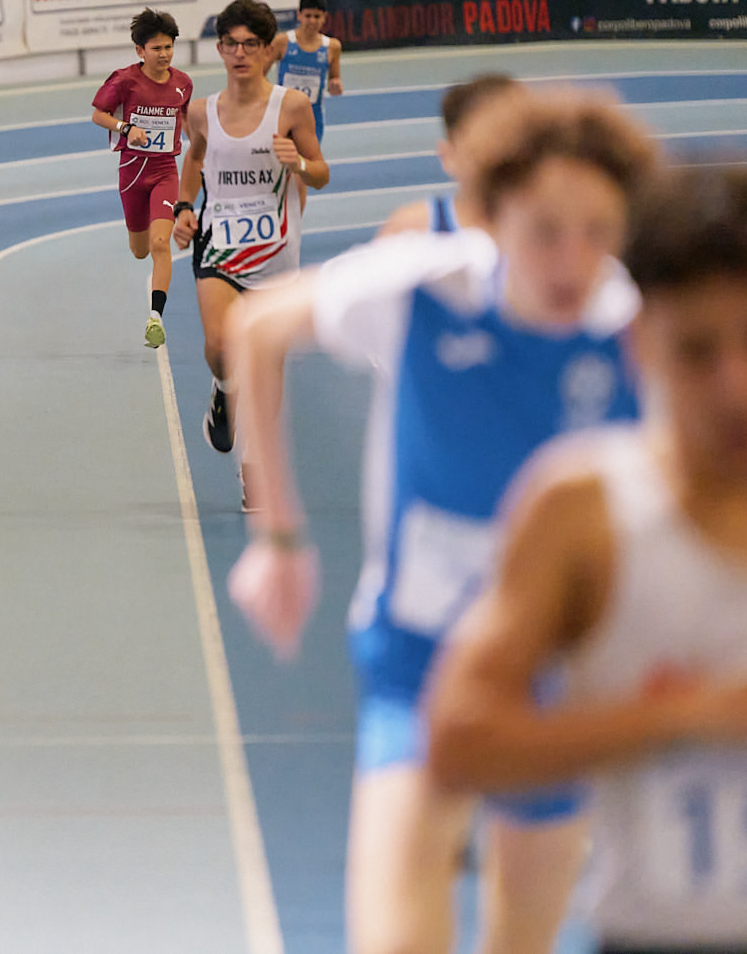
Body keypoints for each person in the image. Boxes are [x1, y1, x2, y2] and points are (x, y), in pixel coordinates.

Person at [222, 89, 658, 954]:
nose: (572, 258)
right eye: (545, 231)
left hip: (560, 678)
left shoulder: (642, 330)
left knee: (521, 939)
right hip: (418, 661)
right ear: (491, 216)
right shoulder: (419, 289)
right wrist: (277, 537)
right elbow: (255, 323)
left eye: (598, 231)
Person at [427, 163, 747, 954]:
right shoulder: (584, 510)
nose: (734, 388)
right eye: (698, 352)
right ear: (641, 345)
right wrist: (687, 717)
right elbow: (460, 737)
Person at [171, 0, 329, 499]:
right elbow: (194, 160)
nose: (240, 53)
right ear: (219, 49)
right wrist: (184, 207)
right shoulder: (200, 112)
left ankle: (255, 465)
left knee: (264, 361)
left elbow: (321, 173)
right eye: (231, 44)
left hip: (275, 249)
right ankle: (223, 391)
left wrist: (297, 164)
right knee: (222, 347)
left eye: (250, 44)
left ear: (267, 51)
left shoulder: (292, 107)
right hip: (218, 243)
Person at [92, 8, 195, 348]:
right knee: (139, 250)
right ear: (140, 50)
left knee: (160, 244)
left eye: (169, 47)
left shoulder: (183, 84)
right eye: (157, 48)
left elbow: (185, 119)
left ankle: (155, 317)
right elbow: (98, 114)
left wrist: (202, 144)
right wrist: (126, 128)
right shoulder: (125, 81)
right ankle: (142, 248)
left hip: (165, 171)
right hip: (133, 172)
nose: (164, 54)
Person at [377, 74, 526, 239]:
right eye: (479, 153)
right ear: (448, 156)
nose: (498, 164)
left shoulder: (542, 227)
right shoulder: (413, 229)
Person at [263, 0, 343, 140]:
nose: (312, 21)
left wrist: (336, 87)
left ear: (325, 17)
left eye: (317, 16)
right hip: (284, 115)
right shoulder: (283, 42)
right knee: (284, 154)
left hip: (312, 118)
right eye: (308, 16)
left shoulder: (332, 46)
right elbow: (259, 74)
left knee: (309, 155)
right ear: (299, 15)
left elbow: (334, 82)